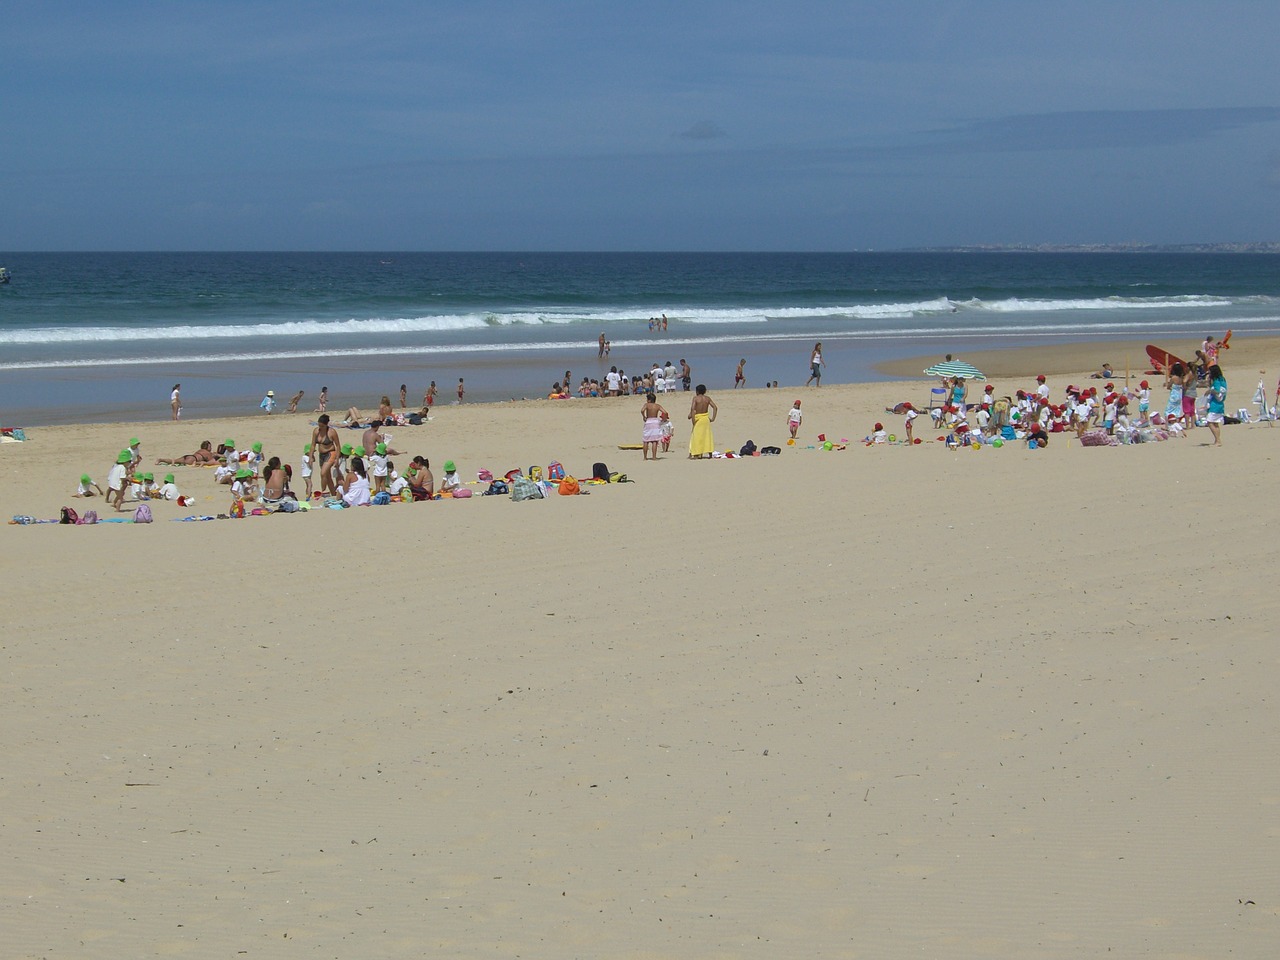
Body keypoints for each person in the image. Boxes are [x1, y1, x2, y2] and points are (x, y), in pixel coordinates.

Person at [311, 414, 340, 496]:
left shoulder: (332, 432)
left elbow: (338, 446)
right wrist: (310, 456)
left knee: (323, 473)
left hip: (331, 453)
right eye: (319, 425)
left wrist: (337, 459)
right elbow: (313, 445)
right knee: (327, 476)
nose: (320, 427)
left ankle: (323, 491)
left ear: (326, 424)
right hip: (321, 455)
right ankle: (333, 493)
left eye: (322, 426)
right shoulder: (316, 431)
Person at [688, 384, 718, 459]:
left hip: (698, 418)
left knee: (697, 436)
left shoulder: (695, 398)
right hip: (705, 418)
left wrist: (693, 420)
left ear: (697, 391)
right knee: (707, 436)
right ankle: (710, 453)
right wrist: (713, 418)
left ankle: (697, 453)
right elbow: (715, 407)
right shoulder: (707, 398)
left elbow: (693, 409)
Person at [641, 392, 668, 460]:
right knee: (654, 441)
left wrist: (644, 416)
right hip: (655, 422)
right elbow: (665, 412)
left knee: (646, 440)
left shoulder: (647, 405)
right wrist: (663, 418)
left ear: (649, 400)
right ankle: (654, 457)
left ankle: (645, 457)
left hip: (649, 421)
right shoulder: (657, 406)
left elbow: (642, 410)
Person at [1205, 364, 1227, 446]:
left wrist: (1210, 391)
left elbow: (1217, 391)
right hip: (1220, 404)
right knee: (1216, 423)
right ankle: (1217, 440)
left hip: (1215, 404)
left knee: (1210, 422)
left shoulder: (1216, 380)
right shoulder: (1222, 380)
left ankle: (1218, 440)